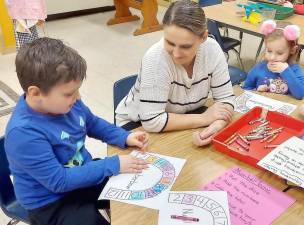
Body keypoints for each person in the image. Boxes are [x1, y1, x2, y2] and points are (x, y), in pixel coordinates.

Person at [4, 37, 149, 225]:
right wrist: (113, 164)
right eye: (69, 93)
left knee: (139, 189)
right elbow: (59, 181)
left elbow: (92, 123)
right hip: (52, 202)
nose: (78, 97)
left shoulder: (69, 104)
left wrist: (124, 136)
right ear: (35, 93)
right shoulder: (23, 134)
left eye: (77, 90)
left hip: (82, 174)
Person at [115, 0, 235, 146]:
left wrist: (215, 126)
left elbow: (226, 98)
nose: (176, 54)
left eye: (186, 46)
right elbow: (151, 121)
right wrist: (205, 119)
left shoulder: (212, 50)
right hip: (137, 124)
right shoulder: (156, 58)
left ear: (203, 37)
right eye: (170, 43)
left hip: (184, 115)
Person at [243, 20, 304, 100]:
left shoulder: (295, 70)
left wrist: (286, 71)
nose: (272, 57)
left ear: (292, 50)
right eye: (269, 51)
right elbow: (246, 89)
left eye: (279, 53)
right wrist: (256, 91)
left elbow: (300, 94)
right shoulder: (258, 68)